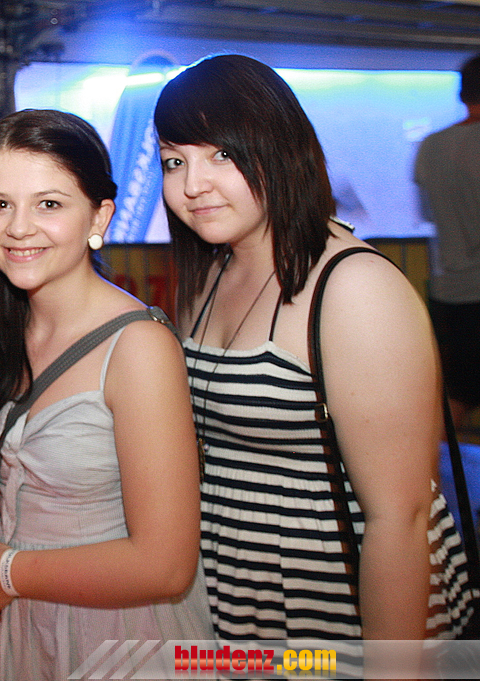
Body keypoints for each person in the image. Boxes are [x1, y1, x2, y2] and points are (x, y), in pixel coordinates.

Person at [155, 53, 475, 640]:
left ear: (282, 148)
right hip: (238, 603)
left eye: (222, 155)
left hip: (335, 609)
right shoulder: (211, 272)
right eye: (175, 161)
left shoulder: (355, 289)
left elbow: (400, 520)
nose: (192, 184)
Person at [0, 109, 212, 680]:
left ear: (99, 216)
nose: (19, 227)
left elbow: (166, 565)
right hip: (14, 629)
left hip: (115, 634)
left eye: (49, 204)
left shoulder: (138, 347)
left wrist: (8, 572)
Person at [414, 53, 480, 434]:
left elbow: (426, 212)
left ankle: (441, 468)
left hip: (449, 294)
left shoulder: (432, 146)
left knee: (454, 395)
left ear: (462, 94)